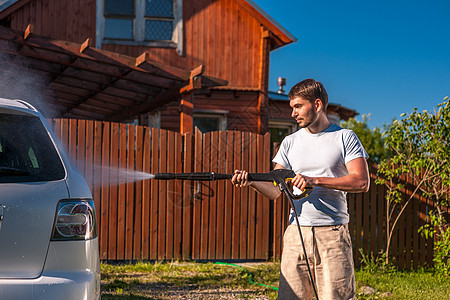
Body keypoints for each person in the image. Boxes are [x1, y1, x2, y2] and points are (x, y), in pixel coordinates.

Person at [231, 78, 370, 299]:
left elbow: (361, 181)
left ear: (316, 105)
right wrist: (251, 181)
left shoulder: (344, 137)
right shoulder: (289, 142)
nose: (293, 114)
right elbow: (276, 190)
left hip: (332, 235)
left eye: (298, 106)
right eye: (292, 108)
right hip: (296, 234)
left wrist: (315, 180)